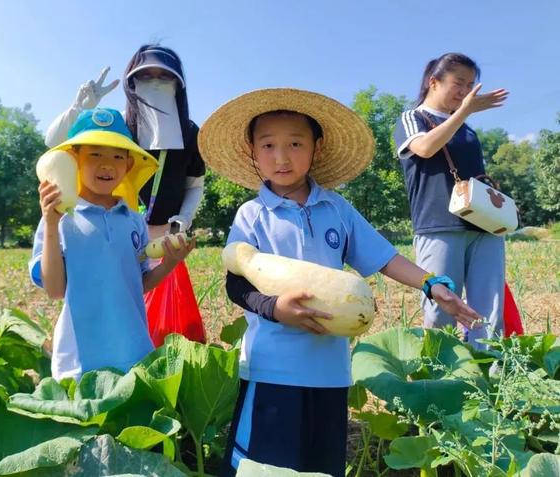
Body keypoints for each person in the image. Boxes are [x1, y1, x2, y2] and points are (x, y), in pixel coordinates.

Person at [197, 88, 483, 477]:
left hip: (330, 372)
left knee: (322, 466)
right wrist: (274, 309)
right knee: (260, 468)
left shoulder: (337, 209)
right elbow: (236, 284)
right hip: (271, 370)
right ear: (253, 151)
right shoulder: (252, 215)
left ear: (317, 146)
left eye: (295, 144)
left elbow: (385, 258)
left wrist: (432, 284)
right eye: (268, 146)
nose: (282, 157)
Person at [29, 107, 194, 381]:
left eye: (118, 156)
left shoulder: (134, 221)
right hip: (80, 360)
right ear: (74, 160)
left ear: (128, 165)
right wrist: (49, 224)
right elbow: (55, 290)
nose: (107, 164)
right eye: (95, 154)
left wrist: (172, 262)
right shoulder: (59, 219)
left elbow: (138, 283)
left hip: (134, 352)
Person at [393, 52, 509, 347]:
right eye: (459, 82)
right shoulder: (413, 118)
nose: (465, 91)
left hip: (484, 227)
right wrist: (464, 113)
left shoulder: (467, 127)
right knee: (440, 309)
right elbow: (426, 148)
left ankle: (490, 381)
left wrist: (463, 115)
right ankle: (440, 380)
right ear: (434, 82)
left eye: (470, 84)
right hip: (439, 226)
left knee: (489, 313)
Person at [45, 45, 205, 239]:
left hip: (164, 239)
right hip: (112, 232)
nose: (155, 83)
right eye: (145, 76)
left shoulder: (189, 133)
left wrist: (184, 219)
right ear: (132, 82)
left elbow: (194, 185)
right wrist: (79, 109)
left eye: (164, 76)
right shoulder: (117, 125)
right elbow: (53, 141)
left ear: (178, 84)